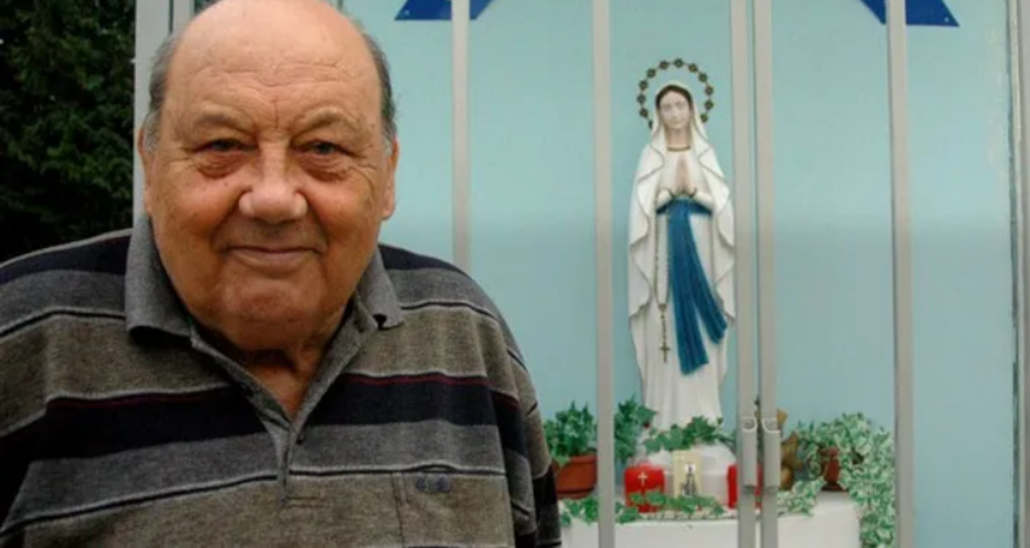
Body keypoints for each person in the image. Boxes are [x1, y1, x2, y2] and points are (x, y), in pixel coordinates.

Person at [0, 1, 559, 546]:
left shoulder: (459, 330)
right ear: (150, 163)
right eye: (222, 145)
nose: (273, 199)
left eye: (322, 147)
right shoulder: (22, 336)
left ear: (387, 176)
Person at [628, 81, 735, 431]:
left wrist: (695, 194)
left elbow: (724, 210)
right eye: (667, 107)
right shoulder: (652, 157)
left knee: (703, 328)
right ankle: (665, 418)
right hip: (664, 255)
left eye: (680, 105)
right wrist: (667, 195)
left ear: (692, 108)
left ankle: (702, 417)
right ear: (657, 113)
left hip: (703, 251)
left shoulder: (705, 154)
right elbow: (640, 215)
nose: (674, 113)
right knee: (666, 327)